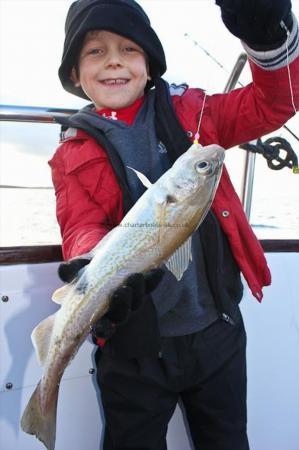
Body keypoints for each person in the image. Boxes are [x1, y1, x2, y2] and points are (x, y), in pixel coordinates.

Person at [49, 1, 299, 448]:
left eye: (130, 49)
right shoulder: (71, 152)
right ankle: (44, 400)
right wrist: (92, 262)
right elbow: (80, 226)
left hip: (216, 331)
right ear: (74, 74)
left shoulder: (195, 114)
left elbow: (277, 103)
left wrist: (269, 40)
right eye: (95, 52)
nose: (114, 61)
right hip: (132, 347)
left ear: (150, 65)